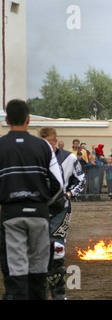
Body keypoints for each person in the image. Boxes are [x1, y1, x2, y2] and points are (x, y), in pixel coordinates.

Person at [0, 99, 64, 300]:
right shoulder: (43, 146)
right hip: (39, 214)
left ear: (7, 120)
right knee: (38, 271)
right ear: (28, 119)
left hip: (11, 214)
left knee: (16, 270)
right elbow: (59, 185)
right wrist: (43, 204)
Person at [38, 127, 85, 300]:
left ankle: (59, 292)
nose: (47, 146)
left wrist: (68, 194)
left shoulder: (69, 158)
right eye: (43, 143)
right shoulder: (36, 158)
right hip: (40, 208)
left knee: (57, 247)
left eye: (49, 143)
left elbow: (81, 179)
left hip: (61, 207)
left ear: (56, 141)